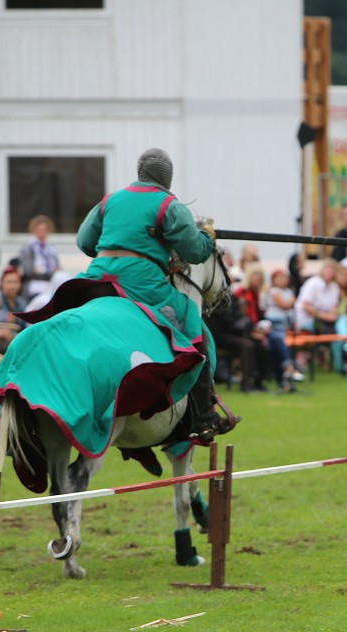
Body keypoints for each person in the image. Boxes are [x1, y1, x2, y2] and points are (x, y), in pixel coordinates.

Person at [62, 147, 231, 441]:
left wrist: (116, 246)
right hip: (141, 283)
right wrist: (206, 236)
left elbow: (85, 241)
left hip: (97, 276)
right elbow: (194, 253)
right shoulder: (168, 204)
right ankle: (203, 417)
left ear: (140, 171)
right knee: (193, 325)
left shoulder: (109, 200)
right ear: (168, 177)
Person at [261, 268, 303, 388]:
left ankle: (285, 375)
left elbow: (291, 308)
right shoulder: (272, 291)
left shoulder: (289, 292)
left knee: (279, 345)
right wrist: (291, 301)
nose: (281, 280)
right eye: (278, 278)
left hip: (286, 324)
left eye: (283, 278)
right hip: (273, 323)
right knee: (279, 341)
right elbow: (284, 305)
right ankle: (289, 367)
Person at [18, 215, 60, 300]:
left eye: (45, 230)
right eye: (39, 229)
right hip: (35, 287)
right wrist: (49, 273)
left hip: (50, 286)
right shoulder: (28, 246)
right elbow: (29, 270)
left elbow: (58, 268)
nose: (42, 232)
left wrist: (43, 271)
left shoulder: (51, 247)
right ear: (33, 230)